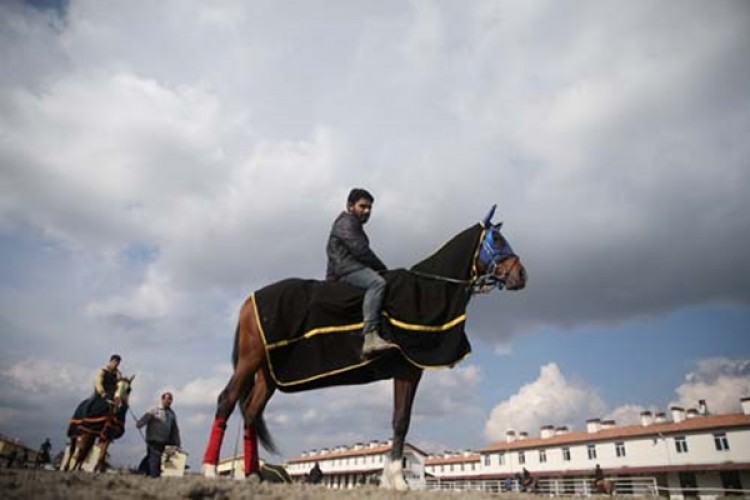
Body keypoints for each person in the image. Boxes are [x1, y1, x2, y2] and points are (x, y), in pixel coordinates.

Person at [326, 188, 395, 357]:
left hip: (350, 267)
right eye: (362, 206)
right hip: (344, 270)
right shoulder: (346, 222)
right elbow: (360, 251)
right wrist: (383, 269)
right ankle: (370, 336)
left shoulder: (354, 224)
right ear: (350, 206)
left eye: (369, 208)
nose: (367, 211)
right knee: (377, 283)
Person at [136, 392, 181, 478]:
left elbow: (175, 430)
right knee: (154, 460)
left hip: (165, 442)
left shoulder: (172, 414)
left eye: (170, 400)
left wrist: (177, 443)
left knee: (162, 462)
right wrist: (140, 424)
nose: (169, 401)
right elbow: (144, 419)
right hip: (153, 441)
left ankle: (144, 473)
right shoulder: (154, 410)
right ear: (162, 399)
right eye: (167, 399)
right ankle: (154, 478)